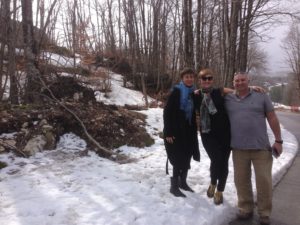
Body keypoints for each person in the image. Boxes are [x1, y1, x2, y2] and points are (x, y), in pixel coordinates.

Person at [225, 71, 283, 225]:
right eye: (237, 81)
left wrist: (278, 140)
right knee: (241, 181)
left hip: (261, 148)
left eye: (243, 80)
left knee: (264, 182)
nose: (240, 83)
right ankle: (246, 209)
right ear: (233, 83)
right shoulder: (228, 98)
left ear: (248, 81)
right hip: (238, 148)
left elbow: (272, 117)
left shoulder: (261, 96)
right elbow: (216, 91)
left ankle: (264, 213)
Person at [195, 68, 231, 205]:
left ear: (213, 80)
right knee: (216, 159)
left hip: (225, 134)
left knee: (224, 162)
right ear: (200, 80)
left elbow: (238, 91)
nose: (207, 81)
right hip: (207, 134)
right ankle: (212, 182)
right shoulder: (196, 95)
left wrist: (252, 87)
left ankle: (220, 190)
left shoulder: (219, 91)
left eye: (209, 78)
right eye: (204, 78)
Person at [163, 68, 200, 198]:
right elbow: (167, 112)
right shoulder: (176, 92)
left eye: (191, 76)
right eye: (186, 77)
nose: (189, 79)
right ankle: (174, 187)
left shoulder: (194, 92)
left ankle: (182, 182)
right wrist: (168, 132)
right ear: (182, 78)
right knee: (177, 157)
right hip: (175, 130)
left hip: (189, 130)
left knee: (187, 155)